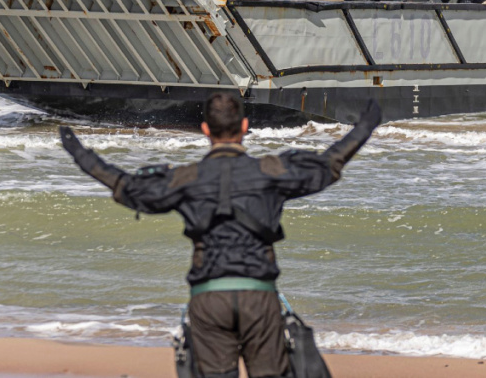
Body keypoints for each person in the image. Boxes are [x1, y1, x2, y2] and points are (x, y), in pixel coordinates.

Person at [59, 93, 383, 378]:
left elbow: (125, 186)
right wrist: (364, 127)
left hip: (208, 301)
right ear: (245, 126)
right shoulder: (270, 171)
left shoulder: (185, 178)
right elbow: (329, 164)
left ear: (204, 130)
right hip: (259, 298)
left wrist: (79, 153)